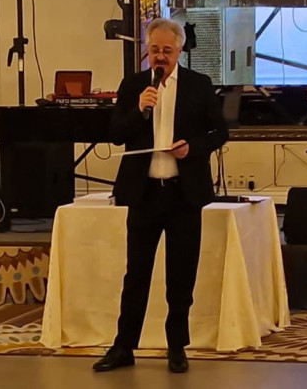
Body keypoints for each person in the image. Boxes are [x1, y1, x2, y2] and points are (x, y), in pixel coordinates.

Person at [92, 18, 228, 374]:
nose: (160, 57)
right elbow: (116, 134)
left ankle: (176, 347)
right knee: (136, 275)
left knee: (180, 276)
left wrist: (192, 147)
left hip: (184, 195)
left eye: (167, 50)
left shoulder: (199, 85)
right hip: (144, 194)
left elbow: (220, 132)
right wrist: (138, 109)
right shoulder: (134, 85)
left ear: (179, 50)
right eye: (154, 50)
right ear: (147, 51)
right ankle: (124, 346)